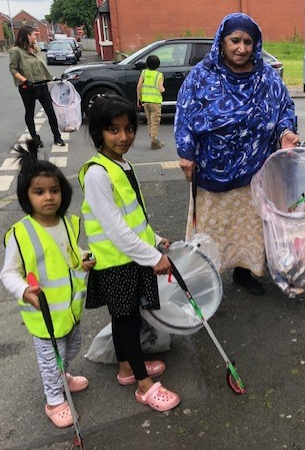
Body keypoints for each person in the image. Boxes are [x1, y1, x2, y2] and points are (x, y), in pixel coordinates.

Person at [175, 12, 299, 296]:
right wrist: (186, 152)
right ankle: (204, 277)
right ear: (222, 41)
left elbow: (284, 110)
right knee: (212, 229)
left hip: (255, 171)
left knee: (251, 227)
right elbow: (184, 116)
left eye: (248, 41)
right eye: (235, 40)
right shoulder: (202, 76)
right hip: (212, 169)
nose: (241, 48)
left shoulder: (267, 77)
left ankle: (245, 273)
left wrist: (285, 133)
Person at [78, 94, 180, 412]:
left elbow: (133, 217)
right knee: (127, 322)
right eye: (113, 130)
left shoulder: (122, 164)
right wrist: (153, 258)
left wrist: (156, 240)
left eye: (128, 129)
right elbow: (116, 230)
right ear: (98, 133)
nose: (124, 137)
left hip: (131, 258)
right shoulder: (97, 174)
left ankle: (126, 368)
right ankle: (143, 385)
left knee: (127, 320)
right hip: (116, 264)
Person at [0, 138, 95, 428]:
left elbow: (68, 254)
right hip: (43, 313)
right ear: (26, 196)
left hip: (70, 307)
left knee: (72, 346)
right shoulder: (21, 233)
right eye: (39, 192)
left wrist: (83, 258)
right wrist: (23, 290)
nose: (48, 197)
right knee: (52, 357)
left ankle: (60, 374)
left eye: (54, 191)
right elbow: (8, 273)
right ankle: (54, 400)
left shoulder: (68, 223)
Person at [9, 25, 65, 148]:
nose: (36, 37)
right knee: (30, 112)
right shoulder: (16, 51)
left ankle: (57, 137)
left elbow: (43, 67)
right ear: (27, 36)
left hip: (42, 85)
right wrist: (25, 81)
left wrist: (53, 78)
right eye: (34, 35)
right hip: (27, 87)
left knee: (50, 111)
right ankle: (35, 139)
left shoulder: (36, 49)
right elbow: (13, 69)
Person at [137, 55, 165, 150]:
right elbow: (161, 89)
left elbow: (139, 86)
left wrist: (139, 98)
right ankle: (154, 140)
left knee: (149, 121)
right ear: (158, 65)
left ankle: (154, 139)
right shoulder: (159, 75)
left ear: (147, 64)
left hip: (146, 101)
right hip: (155, 102)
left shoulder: (144, 73)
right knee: (155, 122)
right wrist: (163, 89)